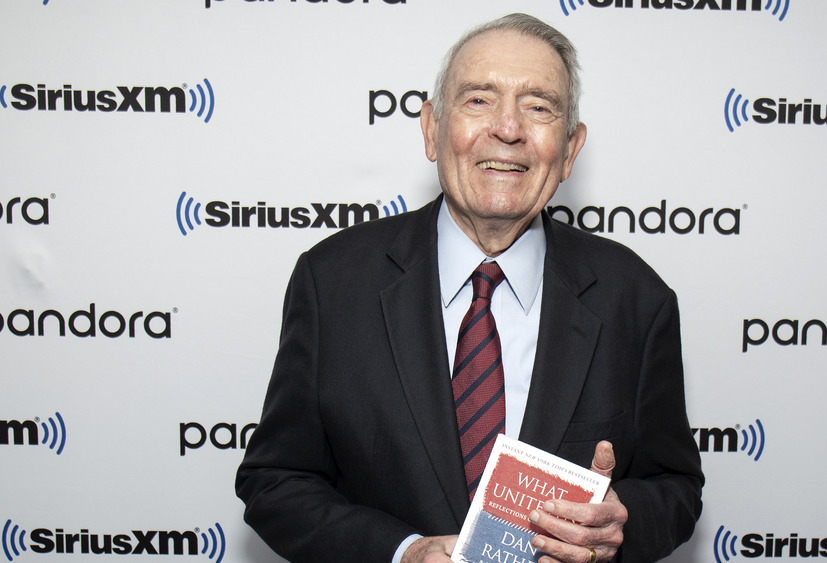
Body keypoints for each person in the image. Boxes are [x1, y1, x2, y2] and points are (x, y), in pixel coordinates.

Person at [236, 13, 703, 563]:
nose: (508, 128)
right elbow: (277, 482)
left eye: (539, 107)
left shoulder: (636, 300)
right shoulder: (333, 282)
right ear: (432, 129)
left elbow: (675, 488)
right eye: (479, 100)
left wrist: (617, 526)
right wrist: (402, 553)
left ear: (571, 150)